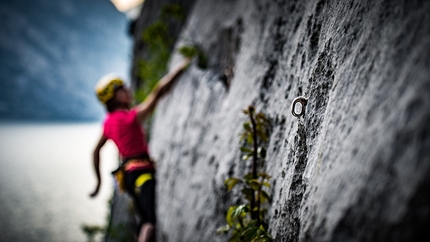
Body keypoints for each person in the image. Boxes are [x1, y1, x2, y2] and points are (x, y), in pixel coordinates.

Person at [90, 58, 190, 242]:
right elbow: (158, 93)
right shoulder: (130, 118)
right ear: (113, 97)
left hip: (127, 177)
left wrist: (98, 182)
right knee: (149, 221)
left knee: (142, 220)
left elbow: (95, 152)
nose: (128, 90)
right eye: (122, 89)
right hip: (142, 172)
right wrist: (179, 69)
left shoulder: (108, 124)